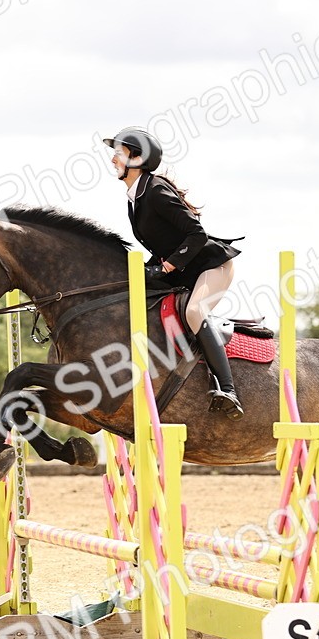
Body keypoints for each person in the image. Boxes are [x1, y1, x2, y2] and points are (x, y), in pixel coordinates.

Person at [104, 126, 245, 419]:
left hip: (210, 265)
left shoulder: (155, 190)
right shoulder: (135, 198)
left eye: (119, 153)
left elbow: (196, 233)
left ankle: (228, 389)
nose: (114, 159)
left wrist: (165, 266)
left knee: (194, 312)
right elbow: (163, 242)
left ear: (137, 158)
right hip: (184, 269)